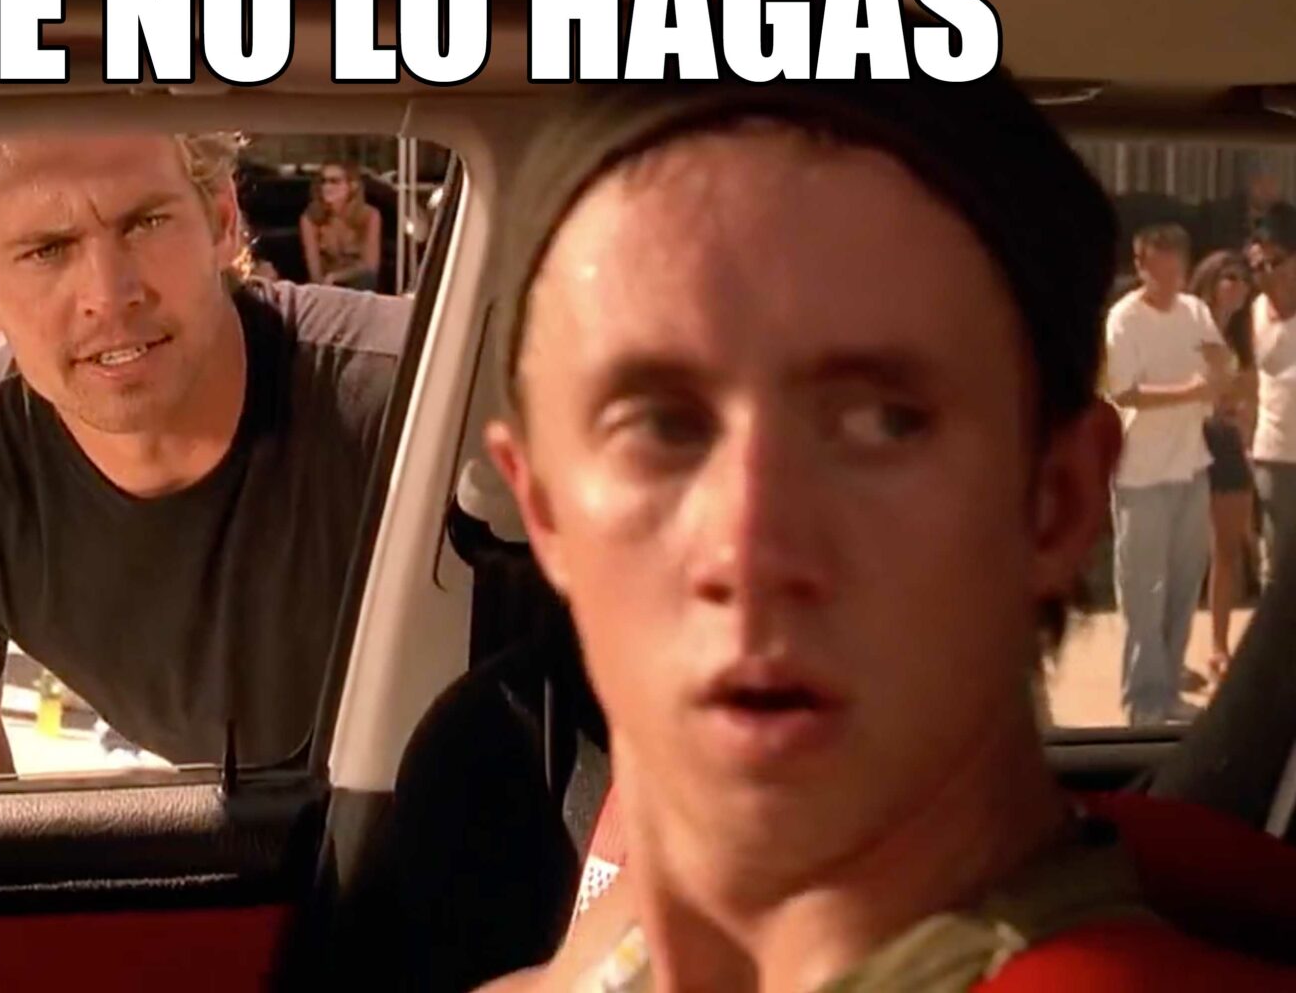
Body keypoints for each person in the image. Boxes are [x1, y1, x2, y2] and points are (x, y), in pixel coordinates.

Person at [475, 71, 1289, 990]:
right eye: (659, 427)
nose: (749, 549)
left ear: (1057, 500)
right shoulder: (647, 921)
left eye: (884, 423)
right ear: (544, 509)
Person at [0, 132, 411, 781]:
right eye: (47, 249)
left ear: (222, 219)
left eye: (146, 223)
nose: (109, 293)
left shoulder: (414, 402)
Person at [1104, 223, 1230, 725]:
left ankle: (1169, 687)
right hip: (1140, 476)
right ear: (1141, 267)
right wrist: (1192, 391)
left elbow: (1219, 359)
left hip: (1190, 468)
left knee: (1182, 587)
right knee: (1143, 594)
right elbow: (1125, 392)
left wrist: (1220, 361)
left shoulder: (1194, 310)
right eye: (1160, 271)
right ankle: (1143, 702)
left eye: (1177, 271)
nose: (1170, 281)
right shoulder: (1124, 319)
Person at [1189, 249, 1259, 684]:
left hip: (1230, 445)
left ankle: (1219, 648)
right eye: (1229, 277)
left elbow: (1246, 396)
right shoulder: (1189, 325)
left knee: (1227, 550)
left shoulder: (1245, 335)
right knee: (1180, 555)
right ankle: (1169, 656)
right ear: (1211, 279)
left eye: (1244, 279)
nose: (1238, 286)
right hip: (1187, 442)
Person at [1251, 205, 1296, 594]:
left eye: (1276, 262)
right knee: (1278, 567)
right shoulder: (1254, 312)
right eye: (1259, 266)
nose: (1267, 273)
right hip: (1275, 454)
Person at [300, 162, 382, 289]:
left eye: (334, 181)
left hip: (358, 285)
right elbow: (315, 273)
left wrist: (336, 277)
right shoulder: (311, 218)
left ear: (352, 185)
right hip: (325, 287)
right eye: (323, 181)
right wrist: (327, 283)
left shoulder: (370, 215)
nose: (327, 187)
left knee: (366, 279)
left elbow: (370, 265)